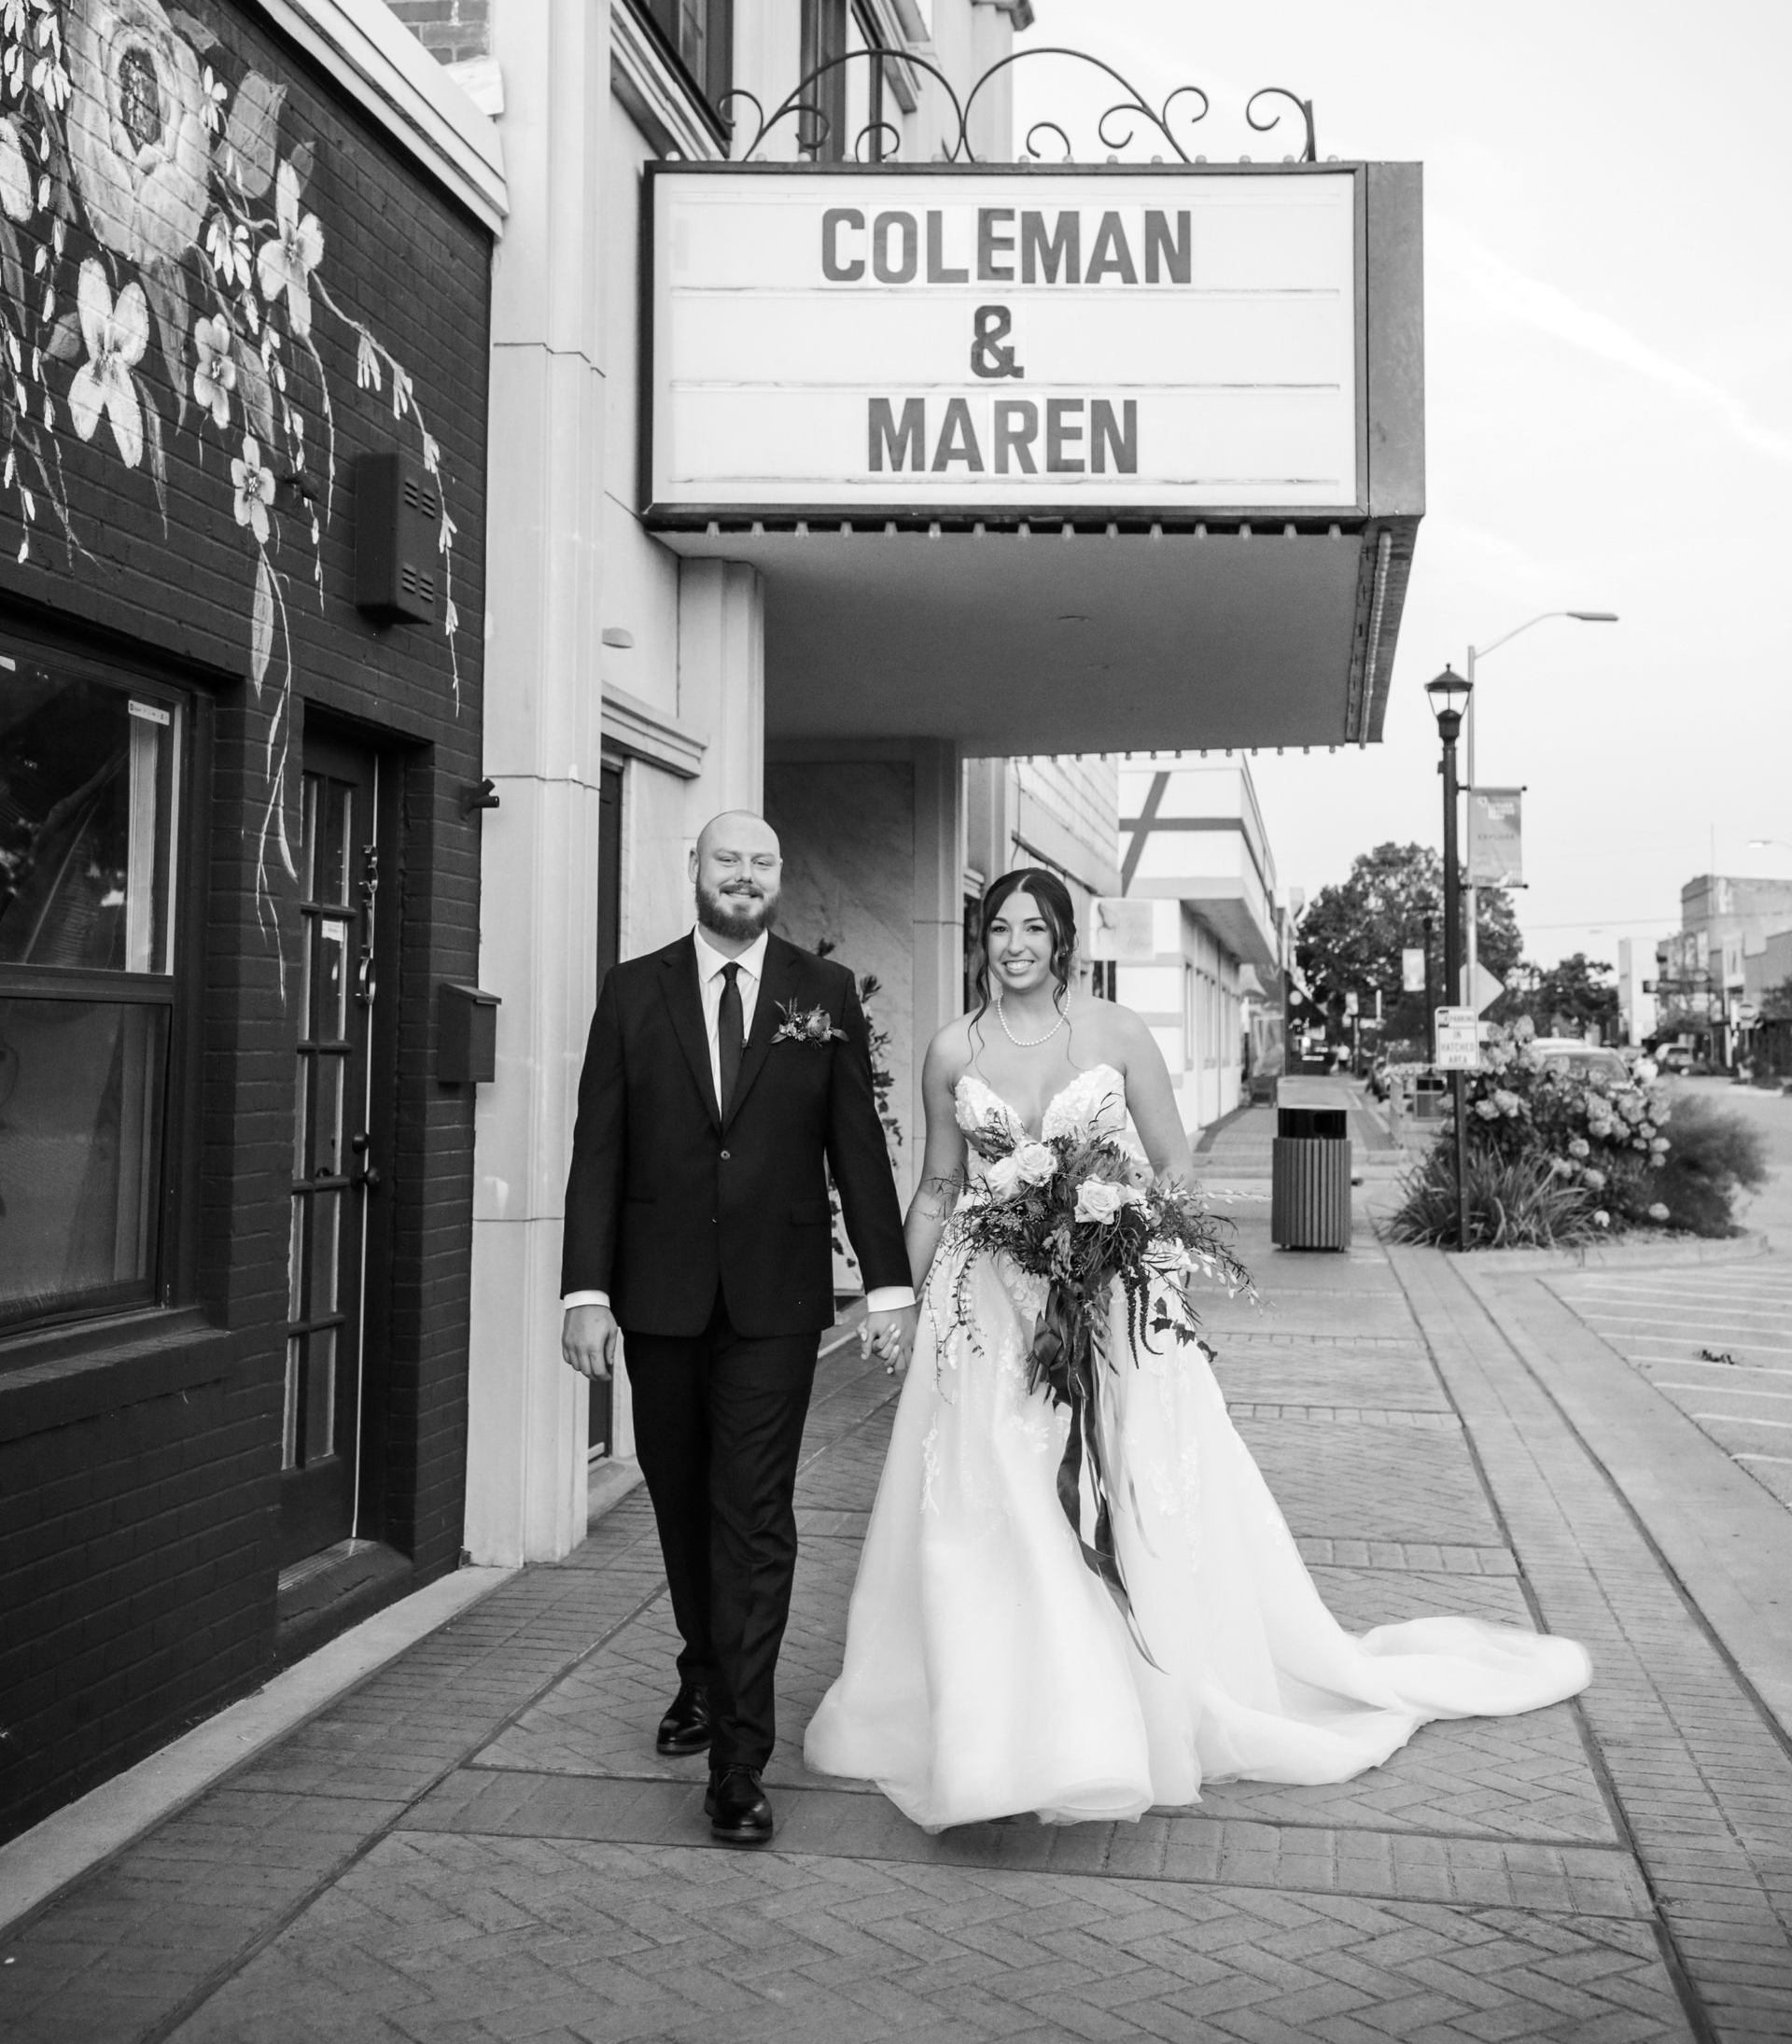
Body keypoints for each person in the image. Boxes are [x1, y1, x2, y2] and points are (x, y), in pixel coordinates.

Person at [805, 869, 1589, 1830]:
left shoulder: (1117, 1034)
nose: (1015, 945)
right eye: (999, 927)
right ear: (981, 939)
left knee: (1109, 1491)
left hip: (1108, 1298)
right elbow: (934, 1185)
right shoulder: (950, 1048)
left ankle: (1116, 1709)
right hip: (989, 1311)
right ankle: (1003, 1717)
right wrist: (896, 1301)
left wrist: (1130, 1243)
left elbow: (1176, 1162)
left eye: (1033, 928)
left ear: (1062, 939)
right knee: (992, 1496)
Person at [561, 811, 917, 1846]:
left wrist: (888, 1286)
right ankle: (704, 1672)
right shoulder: (634, 990)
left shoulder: (824, 993)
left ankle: (738, 1761)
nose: (746, 876)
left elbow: (856, 1145)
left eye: (764, 861)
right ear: (697, 873)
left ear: (779, 879)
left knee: (753, 1514)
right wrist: (585, 1289)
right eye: (729, 860)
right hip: (659, 1296)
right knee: (681, 1503)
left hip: (775, 1301)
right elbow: (600, 1150)